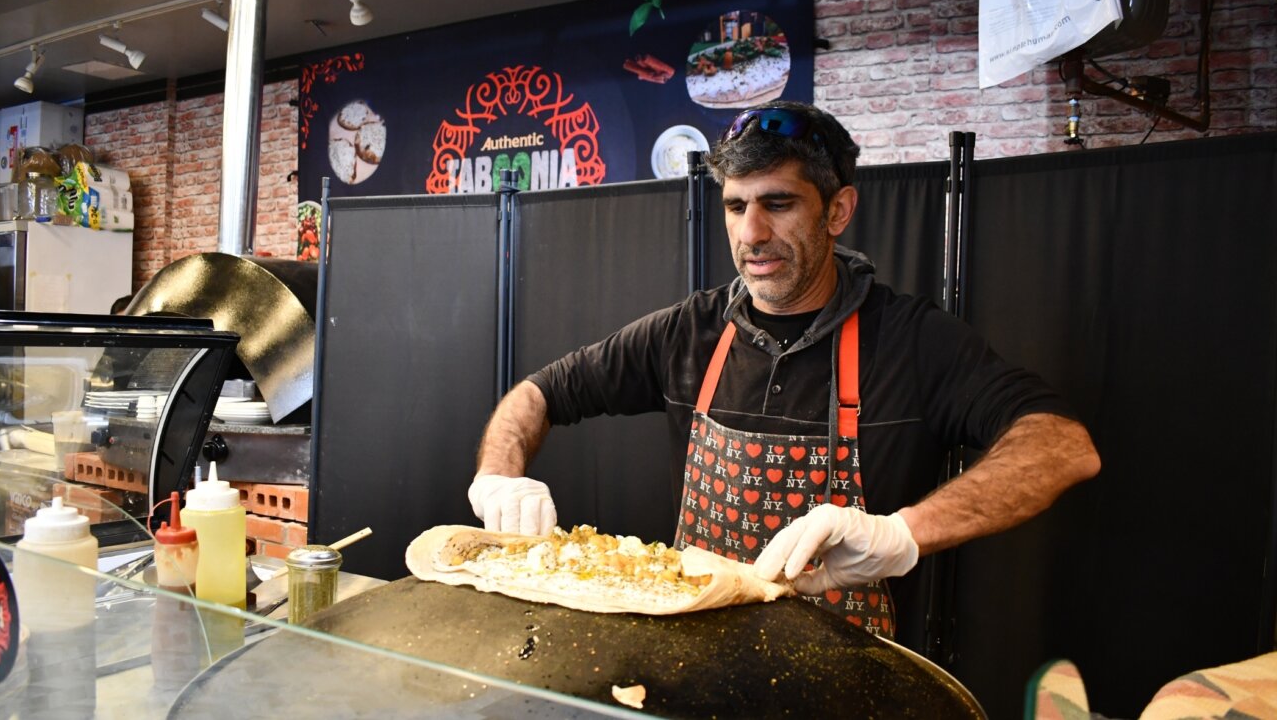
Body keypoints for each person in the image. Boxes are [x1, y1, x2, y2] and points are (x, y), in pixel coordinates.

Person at [468, 100, 1100, 642]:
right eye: (736, 205)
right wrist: (498, 476)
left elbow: (1062, 446)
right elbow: (539, 392)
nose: (753, 232)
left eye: (778, 203)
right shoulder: (690, 332)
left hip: (848, 679)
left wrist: (902, 533)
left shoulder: (912, 341)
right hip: (696, 654)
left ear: (838, 209)